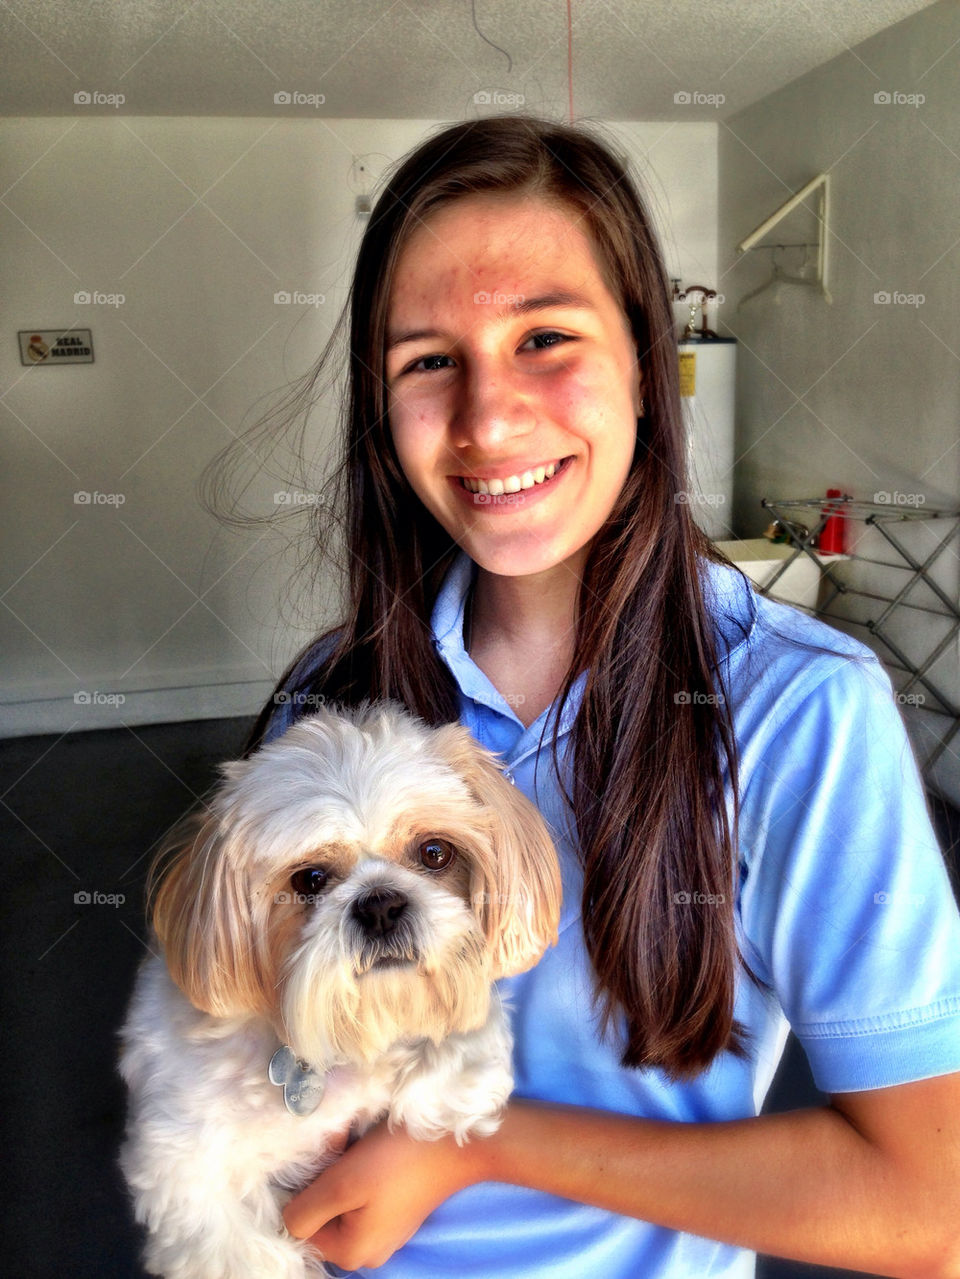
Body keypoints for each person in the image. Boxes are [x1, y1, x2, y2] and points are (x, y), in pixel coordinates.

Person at [241, 115, 960, 1277]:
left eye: (545, 337)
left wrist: (479, 1147)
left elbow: (930, 1207)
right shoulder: (331, 701)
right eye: (428, 359)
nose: (485, 418)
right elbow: (269, 1037)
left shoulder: (800, 713)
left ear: (644, 359)